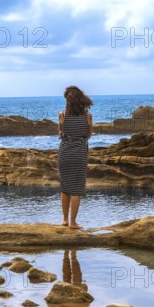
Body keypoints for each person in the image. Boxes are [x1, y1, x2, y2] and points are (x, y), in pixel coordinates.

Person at [58, 86, 93, 229]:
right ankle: (73, 223)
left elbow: (60, 133)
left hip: (64, 153)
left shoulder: (62, 115)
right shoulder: (88, 116)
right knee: (76, 189)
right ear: (81, 100)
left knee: (65, 187)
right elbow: (89, 135)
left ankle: (65, 220)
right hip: (79, 154)